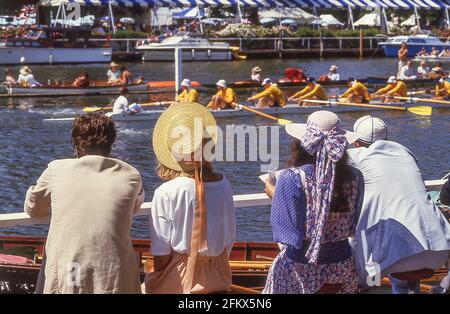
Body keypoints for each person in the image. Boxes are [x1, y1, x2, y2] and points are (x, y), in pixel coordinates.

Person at [24, 113, 144, 293]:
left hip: (69, 273)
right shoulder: (131, 174)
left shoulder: (57, 170)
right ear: (111, 142)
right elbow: (135, 206)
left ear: (75, 141)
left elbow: (33, 208)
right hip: (115, 276)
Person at [263, 110, 363, 294]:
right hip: (342, 267)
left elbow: (286, 234)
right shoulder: (355, 177)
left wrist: (276, 194)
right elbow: (352, 224)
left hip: (301, 269)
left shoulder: (292, 177)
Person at [347, 116, 450, 294]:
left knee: (365, 239)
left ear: (355, 142)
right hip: (441, 249)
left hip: (401, 256)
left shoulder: (353, 157)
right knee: (397, 237)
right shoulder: (405, 152)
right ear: (387, 139)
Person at [144, 102, 235, 294]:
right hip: (219, 273)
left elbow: (161, 255)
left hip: (181, 279)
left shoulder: (166, 192)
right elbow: (228, 241)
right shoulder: (224, 184)